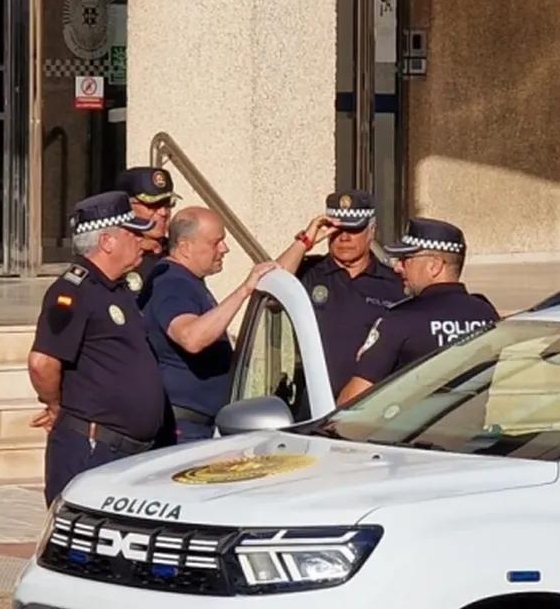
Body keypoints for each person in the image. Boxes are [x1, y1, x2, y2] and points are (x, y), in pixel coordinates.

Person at [28, 191, 169, 504]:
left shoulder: (117, 288)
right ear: (107, 241)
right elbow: (42, 362)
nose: (141, 241)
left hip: (129, 452)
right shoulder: (73, 292)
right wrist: (54, 405)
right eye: (133, 234)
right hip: (95, 448)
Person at [140, 206, 277, 441]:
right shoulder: (171, 284)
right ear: (185, 247)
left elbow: (268, 276)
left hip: (201, 426)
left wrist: (303, 242)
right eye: (216, 242)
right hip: (182, 431)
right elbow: (191, 338)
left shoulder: (187, 280)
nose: (224, 248)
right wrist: (243, 290)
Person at [337, 216, 499, 406]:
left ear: (434, 265)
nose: (397, 267)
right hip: (469, 425)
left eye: (406, 259)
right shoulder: (486, 314)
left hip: (411, 425)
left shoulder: (400, 320)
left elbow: (352, 402)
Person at [273, 189, 406, 397]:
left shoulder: (394, 283)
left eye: (353, 230)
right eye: (336, 230)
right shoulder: (308, 272)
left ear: (371, 231)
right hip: (313, 404)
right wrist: (305, 241)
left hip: (374, 404)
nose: (344, 237)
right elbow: (272, 287)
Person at [115, 165, 179, 288]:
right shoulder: (113, 255)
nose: (163, 212)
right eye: (153, 205)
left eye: (167, 203)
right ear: (127, 206)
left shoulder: (177, 251)